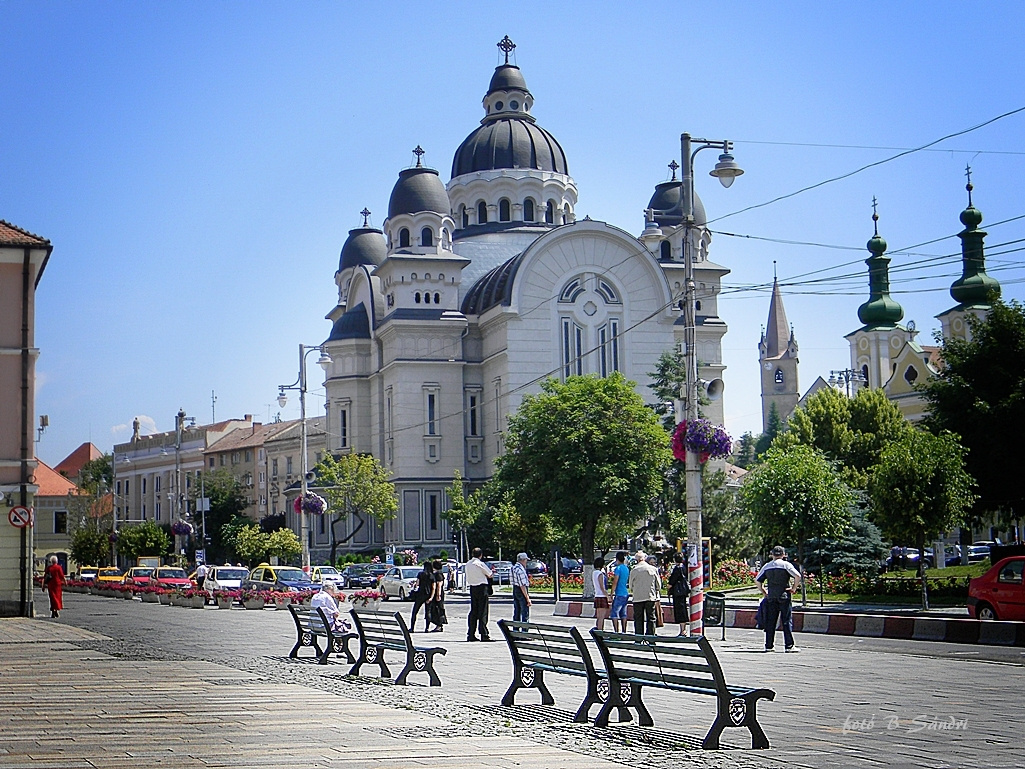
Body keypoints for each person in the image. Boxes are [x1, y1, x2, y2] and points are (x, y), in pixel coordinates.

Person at [755, 545, 802, 652]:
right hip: (784, 595)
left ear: (772, 555)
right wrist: (794, 588)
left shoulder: (767, 566)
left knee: (771, 621)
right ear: (784, 554)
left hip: (771, 596)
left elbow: (757, 580)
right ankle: (789, 646)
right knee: (786, 620)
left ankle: (769, 646)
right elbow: (797, 576)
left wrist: (764, 591)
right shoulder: (786, 565)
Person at [628, 551, 662, 635]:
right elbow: (658, 585)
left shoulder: (634, 570)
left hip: (638, 598)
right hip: (650, 596)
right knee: (651, 618)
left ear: (636, 560)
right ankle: (651, 637)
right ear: (645, 559)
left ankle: (639, 638)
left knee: (638, 618)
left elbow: (630, 586)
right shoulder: (653, 569)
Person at [464, 547, 494, 641]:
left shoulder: (468, 564)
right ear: (480, 555)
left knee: (474, 611)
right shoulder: (479, 564)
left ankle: (471, 633)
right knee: (483, 612)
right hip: (482, 588)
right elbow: (489, 574)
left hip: (473, 588)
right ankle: (484, 634)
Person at [667, 551, 690, 636]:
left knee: (680, 611)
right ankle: (683, 629)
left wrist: (669, 586)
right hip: (683, 591)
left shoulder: (677, 569)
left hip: (678, 592)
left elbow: (672, 580)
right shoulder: (684, 567)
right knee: (682, 609)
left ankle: (683, 630)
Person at [609, 551, 630, 632]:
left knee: (614, 614)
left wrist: (611, 593)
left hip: (619, 593)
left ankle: (616, 632)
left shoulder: (618, 569)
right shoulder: (626, 568)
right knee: (623, 614)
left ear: (617, 559)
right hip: (625, 592)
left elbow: (615, 582)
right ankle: (624, 631)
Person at [410, 561, 434, 632]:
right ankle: (427, 628)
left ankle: (412, 628)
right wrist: (431, 597)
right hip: (428, 594)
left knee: (415, 611)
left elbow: (417, 584)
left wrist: (414, 585)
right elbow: (433, 587)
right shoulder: (431, 575)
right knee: (428, 612)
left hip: (420, 594)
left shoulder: (420, 574)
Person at [511, 553, 531, 622]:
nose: (526, 562)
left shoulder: (513, 568)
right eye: (526, 560)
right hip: (522, 591)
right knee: (525, 612)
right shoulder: (521, 570)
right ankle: (524, 630)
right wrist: (527, 598)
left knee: (517, 611)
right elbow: (522, 585)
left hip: (515, 589)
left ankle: (515, 629)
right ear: (523, 560)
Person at [428, 560, 448, 632]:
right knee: (436, 609)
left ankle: (439, 625)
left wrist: (438, 595)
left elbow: (439, 585)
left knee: (438, 609)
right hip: (437, 593)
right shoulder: (437, 573)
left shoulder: (439, 574)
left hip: (438, 593)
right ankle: (438, 625)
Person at [591, 556, 610, 630]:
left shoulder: (594, 573)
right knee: (602, 617)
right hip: (602, 596)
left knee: (599, 616)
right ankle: (600, 632)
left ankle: (598, 631)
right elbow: (602, 587)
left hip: (597, 595)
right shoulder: (600, 574)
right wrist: (607, 596)